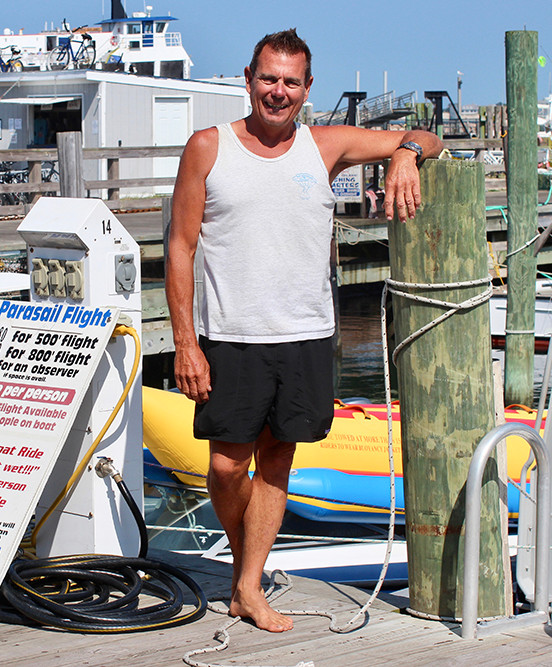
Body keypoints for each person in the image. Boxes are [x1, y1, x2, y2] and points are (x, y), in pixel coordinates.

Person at [166, 29, 442, 633]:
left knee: (278, 461)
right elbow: (180, 247)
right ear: (248, 78)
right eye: (269, 78)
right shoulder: (208, 148)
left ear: (307, 89)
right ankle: (248, 569)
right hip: (231, 335)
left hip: (307, 334)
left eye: (291, 82)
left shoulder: (325, 145)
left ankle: (247, 587)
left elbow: (430, 135)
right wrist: (186, 343)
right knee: (225, 468)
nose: (278, 91)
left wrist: (406, 155)